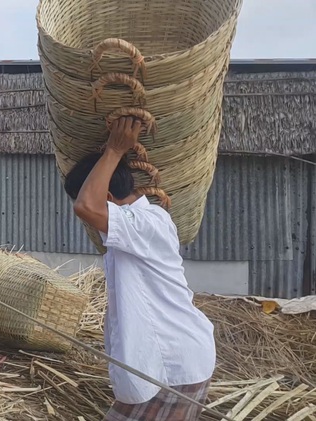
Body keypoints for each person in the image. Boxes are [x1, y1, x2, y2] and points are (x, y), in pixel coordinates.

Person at [63, 117, 216, 421]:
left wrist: (115, 151)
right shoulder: (134, 228)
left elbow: (86, 207)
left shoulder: (148, 224)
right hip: (166, 363)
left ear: (106, 198)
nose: (84, 219)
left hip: (171, 363)